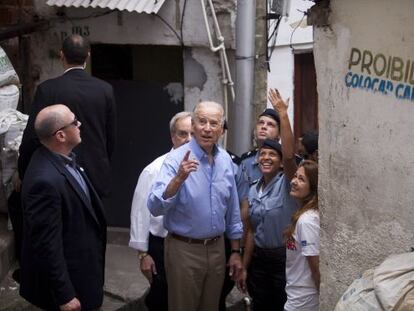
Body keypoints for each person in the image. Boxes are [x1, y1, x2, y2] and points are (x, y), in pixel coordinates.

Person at [148, 101, 243, 311]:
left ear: (221, 129)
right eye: (202, 122)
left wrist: (236, 251)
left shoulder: (226, 160)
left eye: (213, 123)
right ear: (193, 125)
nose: (207, 128)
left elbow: (233, 209)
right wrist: (178, 179)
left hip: (218, 249)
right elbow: (154, 206)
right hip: (184, 249)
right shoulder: (175, 160)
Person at [20, 105, 106, 311]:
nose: (80, 124)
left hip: (85, 272)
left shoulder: (62, 159)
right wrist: (65, 295)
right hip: (71, 287)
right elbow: (46, 245)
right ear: (60, 135)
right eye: (74, 122)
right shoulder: (44, 181)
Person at [18, 34, 116, 200]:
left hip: (57, 174)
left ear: (61, 55)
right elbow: (110, 138)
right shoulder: (105, 90)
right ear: (88, 55)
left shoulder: (47, 89)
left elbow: (33, 136)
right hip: (95, 174)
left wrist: (23, 171)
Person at [238, 89, 298, 311]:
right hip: (258, 262)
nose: (266, 158)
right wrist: (244, 266)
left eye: (272, 155)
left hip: (284, 261)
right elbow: (252, 231)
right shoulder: (255, 189)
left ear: (281, 163)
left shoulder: (288, 184)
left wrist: (283, 114)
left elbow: (291, 156)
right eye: (263, 155)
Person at [129, 111, 192, 311]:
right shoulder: (155, 169)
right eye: (183, 134)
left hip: (192, 247)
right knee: (162, 299)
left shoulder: (206, 166)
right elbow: (140, 213)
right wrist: (143, 255)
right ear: (173, 137)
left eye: (192, 134)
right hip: (161, 246)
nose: (188, 139)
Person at [284, 160, 320, 311]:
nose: (293, 181)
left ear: (312, 187)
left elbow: (315, 265)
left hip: (304, 300)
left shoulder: (307, 221)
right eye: (295, 176)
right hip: (297, 296)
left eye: (301, 179)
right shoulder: (303, 216)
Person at [239, 108, 280, 186]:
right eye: (261, 123)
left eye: (270, 124)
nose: (263, 127)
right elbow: (242, 196)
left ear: (279, 134)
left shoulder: (286, 163)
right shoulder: (246, 162)